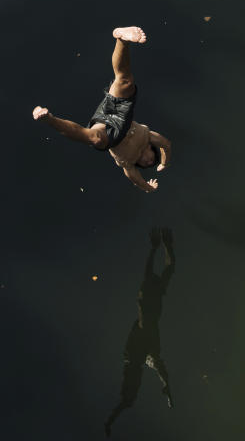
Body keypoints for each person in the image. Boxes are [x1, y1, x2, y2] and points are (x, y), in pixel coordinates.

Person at [32, 26, 171, 192]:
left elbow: (138, 182)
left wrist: (150, 188)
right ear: (151, 150)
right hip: (123, 117)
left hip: (109, 136)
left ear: (138, 164)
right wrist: (163, 162)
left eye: (146, 165)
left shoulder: (129, 166)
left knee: (94, 138)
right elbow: (166, 145)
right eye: (151, 160)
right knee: (125, 82)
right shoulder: (148, 137)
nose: (148, 162)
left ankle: (49, 119)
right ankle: (122, 40)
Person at [104, 227, 175, 437]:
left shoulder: (150, 293)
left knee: (152, 363)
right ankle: (166, 387)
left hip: (143, 337)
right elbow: (167, 268)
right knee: (154, 364)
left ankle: (165, 387)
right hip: (145, 338)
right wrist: (162, 247)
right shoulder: (152, 291)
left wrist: (158, 248)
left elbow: (162, 269)